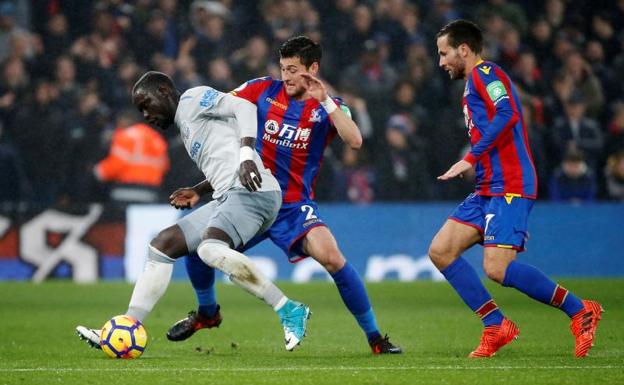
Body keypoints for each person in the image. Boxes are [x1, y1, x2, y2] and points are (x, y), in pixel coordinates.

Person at [169, 36, 401, 354]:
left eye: (293, 70)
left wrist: (327, 101)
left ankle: (376, 338)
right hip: (250, 198)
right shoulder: (261, 90)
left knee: (333, 258)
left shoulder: (326, 106)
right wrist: (200, 189)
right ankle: (207, 313)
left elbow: (356, 140)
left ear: (313, 69)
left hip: (292, 206)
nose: (286, 77)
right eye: (283, 69)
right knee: (197, 250)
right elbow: (221, 119)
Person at [77, 71, 310, 352]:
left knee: (210, 250)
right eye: (140, 110)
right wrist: (199, 190)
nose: (145, 114)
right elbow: (224, 161)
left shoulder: (193, 98)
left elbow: (244, 107)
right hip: (229, 195)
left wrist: (248, 155)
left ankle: (289, 309)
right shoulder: (186, 124)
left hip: (254, 193)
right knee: (163, 245)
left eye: (146, 104)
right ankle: (127, 325)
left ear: (163, 90)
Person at [430, 19, 602, 358]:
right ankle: (496, 325)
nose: (441, 62)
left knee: (497, 269)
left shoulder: (486, 74)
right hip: (488, 188)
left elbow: (508, 112)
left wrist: (470, 158)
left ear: (464, 49)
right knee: (441, 250)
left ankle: (580, 309)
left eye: (444, 53)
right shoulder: (472, 83)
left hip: (510, 183)